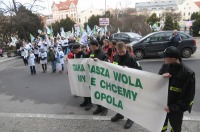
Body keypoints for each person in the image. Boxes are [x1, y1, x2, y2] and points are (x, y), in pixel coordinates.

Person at [159, 46, 195, 132]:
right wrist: (161, 77)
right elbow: (157, 81)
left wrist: (172, 108)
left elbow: (187, 97)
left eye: (165, 57)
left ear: (173, 59)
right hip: (163, 105)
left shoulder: (188, 74)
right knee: (161, 125)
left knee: (176, 128)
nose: (163, 59)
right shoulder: (165, 66)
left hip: (176, 110)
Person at [111, 42, 142, 129]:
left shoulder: (132, 58)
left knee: (129, 101)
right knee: (119, 99)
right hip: (119, 83)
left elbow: (140, 70)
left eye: (122, 52)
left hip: (129, 84)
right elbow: (113, 66)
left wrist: (129, 70)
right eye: (119, 52)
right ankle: (120, 114)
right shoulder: (116, 56)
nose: (120, 53)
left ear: (126, 49)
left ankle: (130, 118)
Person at [89, 40, 110, 116]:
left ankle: (105, 109)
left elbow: (108, 64)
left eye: (91, 45)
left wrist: (99, 61)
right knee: (95, 92)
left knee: (102, 93)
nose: (90, 47)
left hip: (101, 78)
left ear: (95, 45)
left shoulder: (104, 54)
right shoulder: (92, 53)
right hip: (93, 77)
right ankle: (99, 107)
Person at [71, 44, 93, 110]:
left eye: (74, 50)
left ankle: (90, 103)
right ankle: (85, 100)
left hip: (86, 74)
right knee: (82, 87)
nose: (73, 52)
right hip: (80, 74)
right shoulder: (76, 54)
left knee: (87, 88)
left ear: (78, 49)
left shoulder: (85, 54)